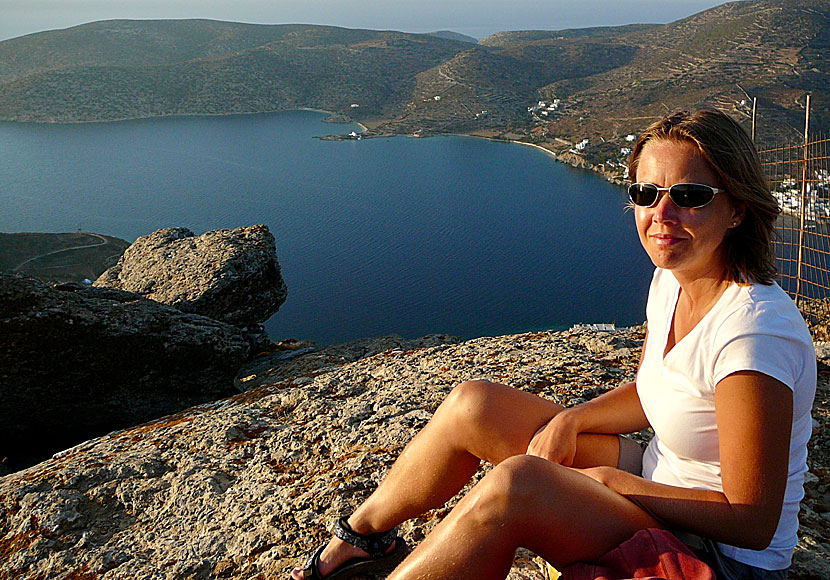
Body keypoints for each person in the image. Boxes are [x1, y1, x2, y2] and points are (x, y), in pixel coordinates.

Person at [291, 109, 816, 580]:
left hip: (717, 553)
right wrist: (573, 419)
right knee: (474, 405)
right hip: (659, 478)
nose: (662, 213)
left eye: (690, 196)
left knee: (518, 486)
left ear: (738, 210)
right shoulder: (674, 281)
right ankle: (361, 538)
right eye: (645, 193)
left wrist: (615, 483)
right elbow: (658, 390)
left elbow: (752, 521)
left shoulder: (753, 335)